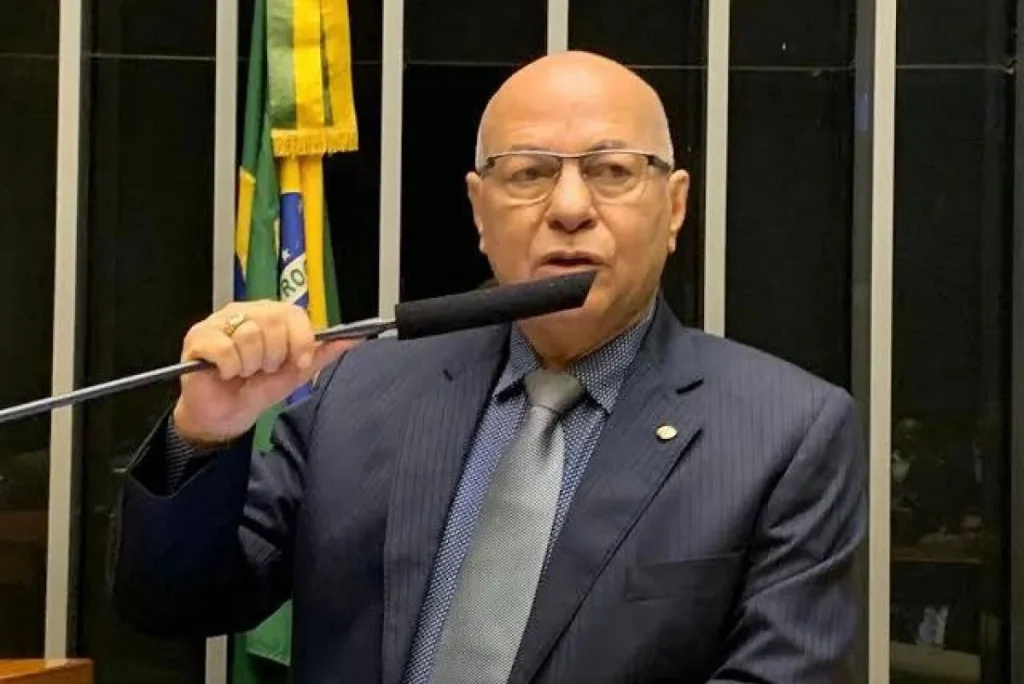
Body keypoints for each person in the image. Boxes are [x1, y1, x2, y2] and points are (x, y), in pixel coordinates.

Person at [109, 51, 866, 683]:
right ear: (479, 210)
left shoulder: (784, 432)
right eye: (529, 173)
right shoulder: (364, 391)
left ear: (673, 208)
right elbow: (171, 604)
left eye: (611, 171)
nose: (569, 208)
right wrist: (203, 433)